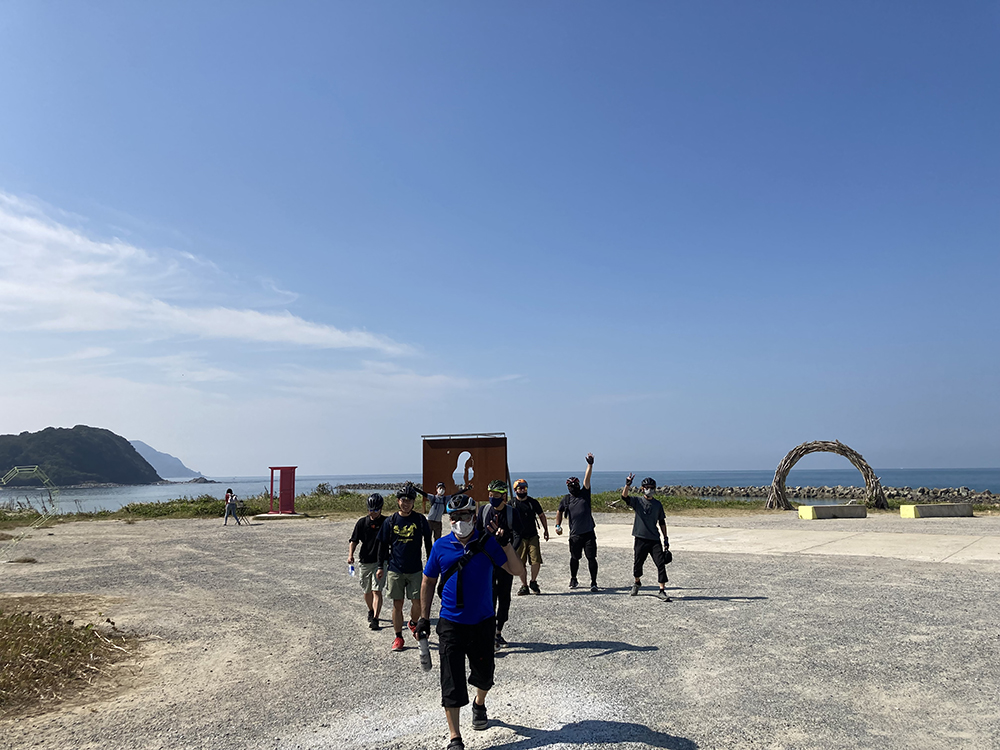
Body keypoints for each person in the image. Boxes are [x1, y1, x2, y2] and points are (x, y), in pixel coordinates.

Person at [418, 493, 525, 750]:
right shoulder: (440, 547)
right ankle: (455, 737)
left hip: (482, 622)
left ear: (474, 516)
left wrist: (506, 544)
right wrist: (423, 617)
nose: (458, 521)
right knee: (451, 681)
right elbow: (428, 581)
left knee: (485, 675)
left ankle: (479, 703)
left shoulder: (488, 543)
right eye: (453, 517)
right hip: (451, 624)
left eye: (464, 515)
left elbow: (518, 571)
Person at [376, 484, 432, 652]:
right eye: (403, 500)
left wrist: (431, 563)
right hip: (395, 569)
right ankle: (398, 636)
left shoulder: (420, 520)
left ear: (413, 503)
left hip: (415, 569)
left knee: (417, 603)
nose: (406, 503)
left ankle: (413, 623)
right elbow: (382, 545)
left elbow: (428, 543)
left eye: (409, 500)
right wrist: (380, 566)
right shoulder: (390, 521)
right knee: (397, 604)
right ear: (398, 502)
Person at [477, 479, 527, 649]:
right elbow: (477, 534)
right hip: (487, 561)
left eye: (496, 495)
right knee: (489, 596)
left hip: (505, 562)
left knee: (504, 596)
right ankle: (489, 632)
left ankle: (499, 631)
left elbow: (519, 535)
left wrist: (509, 552)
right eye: (490, 495)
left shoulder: (512, 513)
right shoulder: (483, 511)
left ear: (504, 496)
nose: (492, 498)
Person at [621, 475, 672, 601]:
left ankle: (662, 590)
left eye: (652, 488)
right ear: (642, 489)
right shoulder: (638, 501)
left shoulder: (657, 505)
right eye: (647, 487)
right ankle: (637, 582)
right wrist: (627, 484)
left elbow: (662, 522)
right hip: (640, 538)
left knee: (660, 564)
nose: (650, 489)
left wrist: (665, 538)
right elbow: (624, 497)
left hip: (654, 539)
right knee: (638, 563)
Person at [554, 452, 599, 591]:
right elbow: (559, 511)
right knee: (575, 558)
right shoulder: (566, 499)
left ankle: (593, 582)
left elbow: (587, 478)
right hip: (575, 535)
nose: (573, 487)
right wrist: (557, 525)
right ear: (568, 487)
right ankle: (573, 579)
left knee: (591, 558)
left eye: (575, 484)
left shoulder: (584, 494)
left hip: (588, 533)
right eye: (571, 485)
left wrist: (590, 464)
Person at [348, 493, 389, 629]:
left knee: (376, 590)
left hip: (381, 562)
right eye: (370, 510)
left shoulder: (386, 522)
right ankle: (371, 610)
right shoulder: (362, 523)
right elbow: (354, 540)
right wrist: (350, 555)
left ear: (380, 509)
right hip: (365, 561)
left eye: (375, 510)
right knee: (367, 591)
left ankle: (376, 619)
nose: (372, 513)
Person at [511, 479, 548, 595]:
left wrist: (546, 530)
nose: (522, 490)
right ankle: (524, 586)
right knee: (521, 562)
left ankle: (533, 581)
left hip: (532, 535)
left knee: (536, 560)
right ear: (515, 490)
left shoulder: (533, 502)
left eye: (524, 488)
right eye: (520, 488)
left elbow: (542, 515)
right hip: (518, 537)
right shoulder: (511, 504)